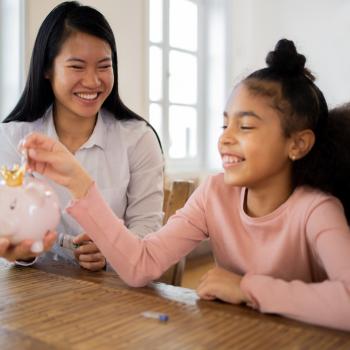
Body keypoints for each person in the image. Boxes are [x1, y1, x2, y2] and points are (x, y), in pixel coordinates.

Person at [21, 39, 350, 330]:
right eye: (225, 124)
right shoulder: (214, 194)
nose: (225, 138)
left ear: (298, 144)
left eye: (245, 126)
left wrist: (247, 288)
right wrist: (81, 185)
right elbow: (140, 265)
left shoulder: (317, 210)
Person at [0, 1, 164, 270]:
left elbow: (148, 231)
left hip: (115, 294)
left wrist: (114, 248)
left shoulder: (138, 139)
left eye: (103, 66)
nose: (92, 81)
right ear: (47, 69)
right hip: (31, 297)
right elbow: (8, 223)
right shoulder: (11, 138)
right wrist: (25, 250)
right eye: (77, 67)